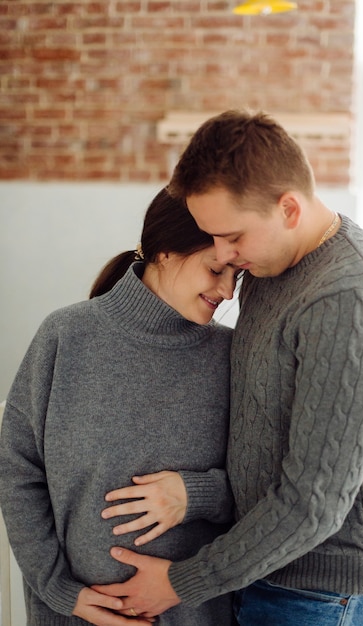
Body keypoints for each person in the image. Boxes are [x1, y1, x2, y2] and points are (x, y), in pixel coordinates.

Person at [92, 110, 363, 626]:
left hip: (322, 593)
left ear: (289, 208)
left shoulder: (354, 302)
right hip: (259, 568)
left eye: (233, 236)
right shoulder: (272, 263)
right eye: (211, 237)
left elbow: (312, 504)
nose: (224, 255)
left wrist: (179, 584)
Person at [0, 187, 240, 626]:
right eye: (216, 270)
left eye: (235, 276)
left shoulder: (232, 356)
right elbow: (18, 471)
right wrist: (58, 590)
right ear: (165, 252)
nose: (227, 292)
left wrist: (196, 494)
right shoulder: (65, 336)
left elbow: (263, 488)